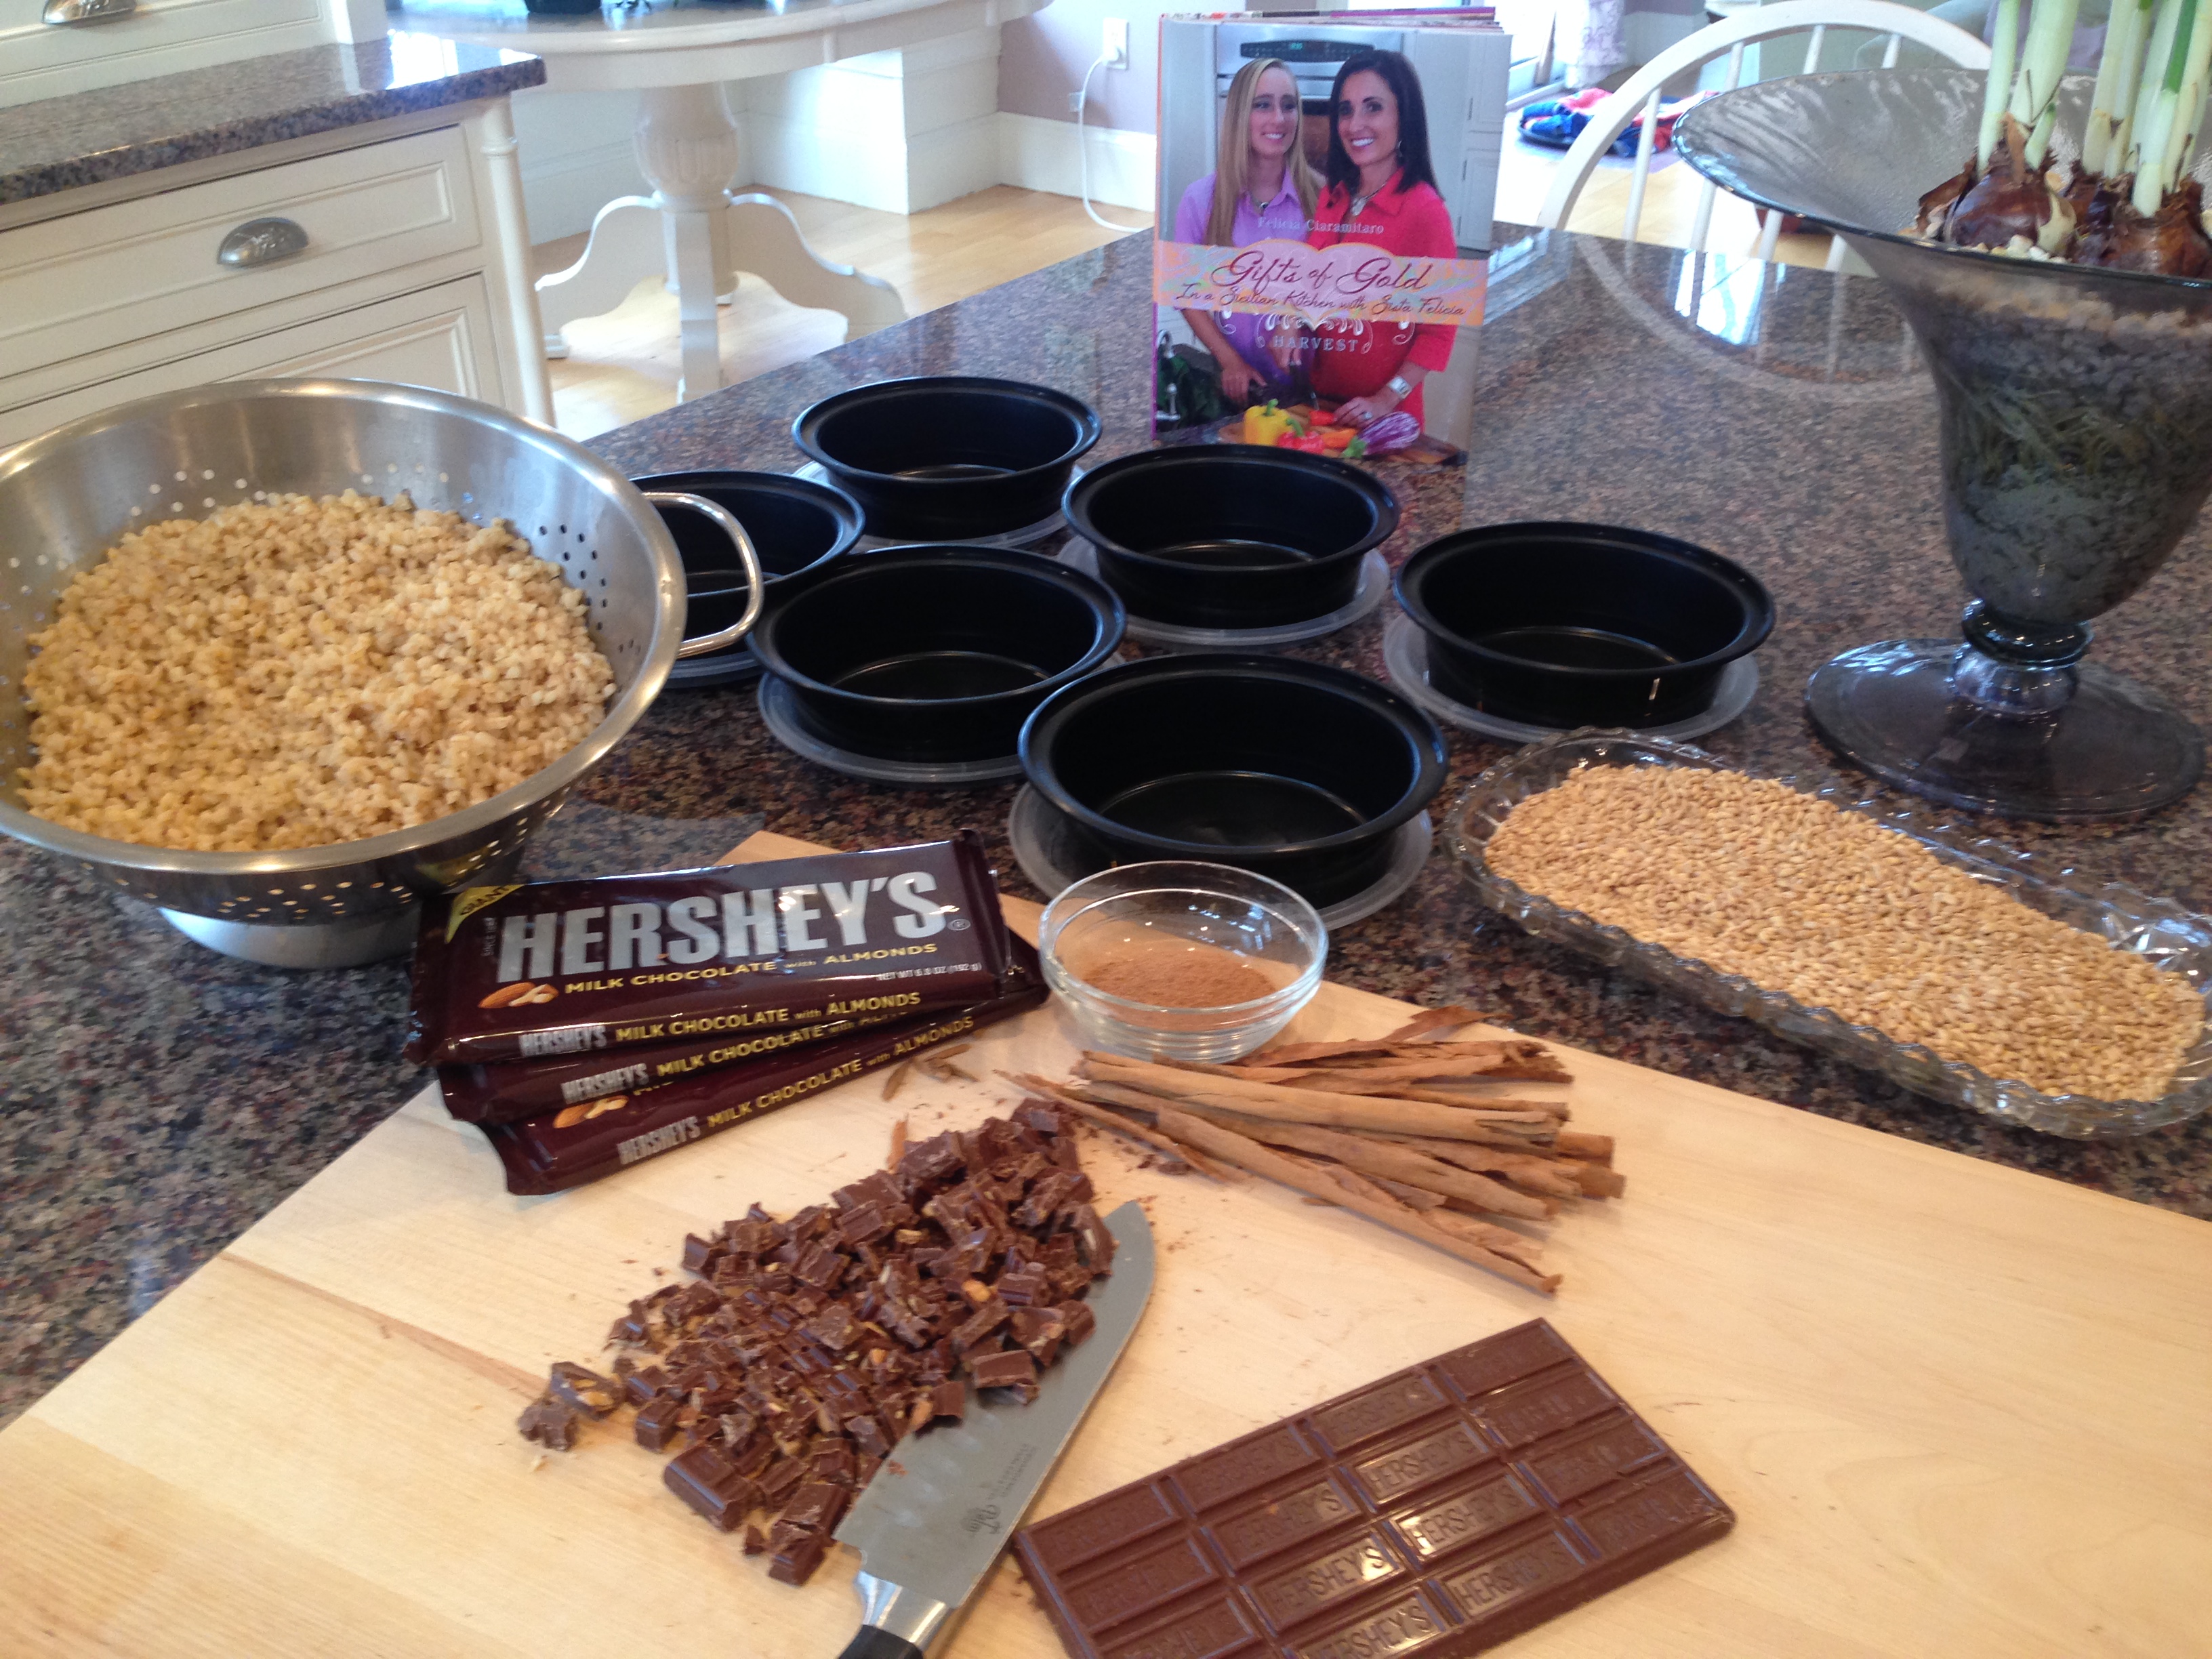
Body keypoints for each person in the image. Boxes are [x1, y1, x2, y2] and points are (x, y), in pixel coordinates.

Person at [1305, 51, 1458, 430]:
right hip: (1321, 407)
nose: (1355, 124)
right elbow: (1310, 286)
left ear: (1403, 116)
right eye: (1345, 110)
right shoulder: (1332, 196)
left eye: (1373, 107)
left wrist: (1386, 399)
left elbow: (1439, 333)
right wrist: (1292, 322)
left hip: (1386, 423)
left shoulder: (1426, 211)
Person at [1172, 56, 1320, 407]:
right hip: (1237, 385)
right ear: (1240, 114)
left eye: (1289, 105)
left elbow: (1334, 288)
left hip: (1308, 386)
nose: (1279, 119)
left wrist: (1295, 315)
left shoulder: (1322, 198)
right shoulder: (1199, 199)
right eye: (1263, 105)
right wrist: (1229, 361)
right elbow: (1186, 295)